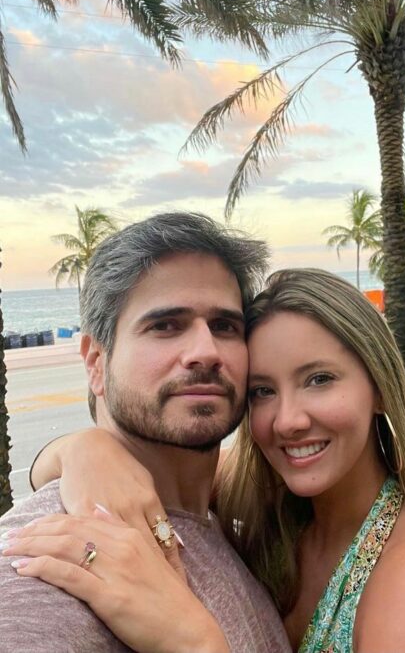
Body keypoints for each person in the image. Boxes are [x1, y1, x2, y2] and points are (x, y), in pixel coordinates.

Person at [4, 268, 405, 652]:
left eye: (319, 379)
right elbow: (92, 471)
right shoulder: (270, 494)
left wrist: (196, 642)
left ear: (380, 388)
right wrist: (84, 449)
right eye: (262, 391)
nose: (288, 421)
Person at [0, 212, 291, 653]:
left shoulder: (229, 507)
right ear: (96, 363)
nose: (205, 352)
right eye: (165, 325)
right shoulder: (47, 566)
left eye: (225, 326)